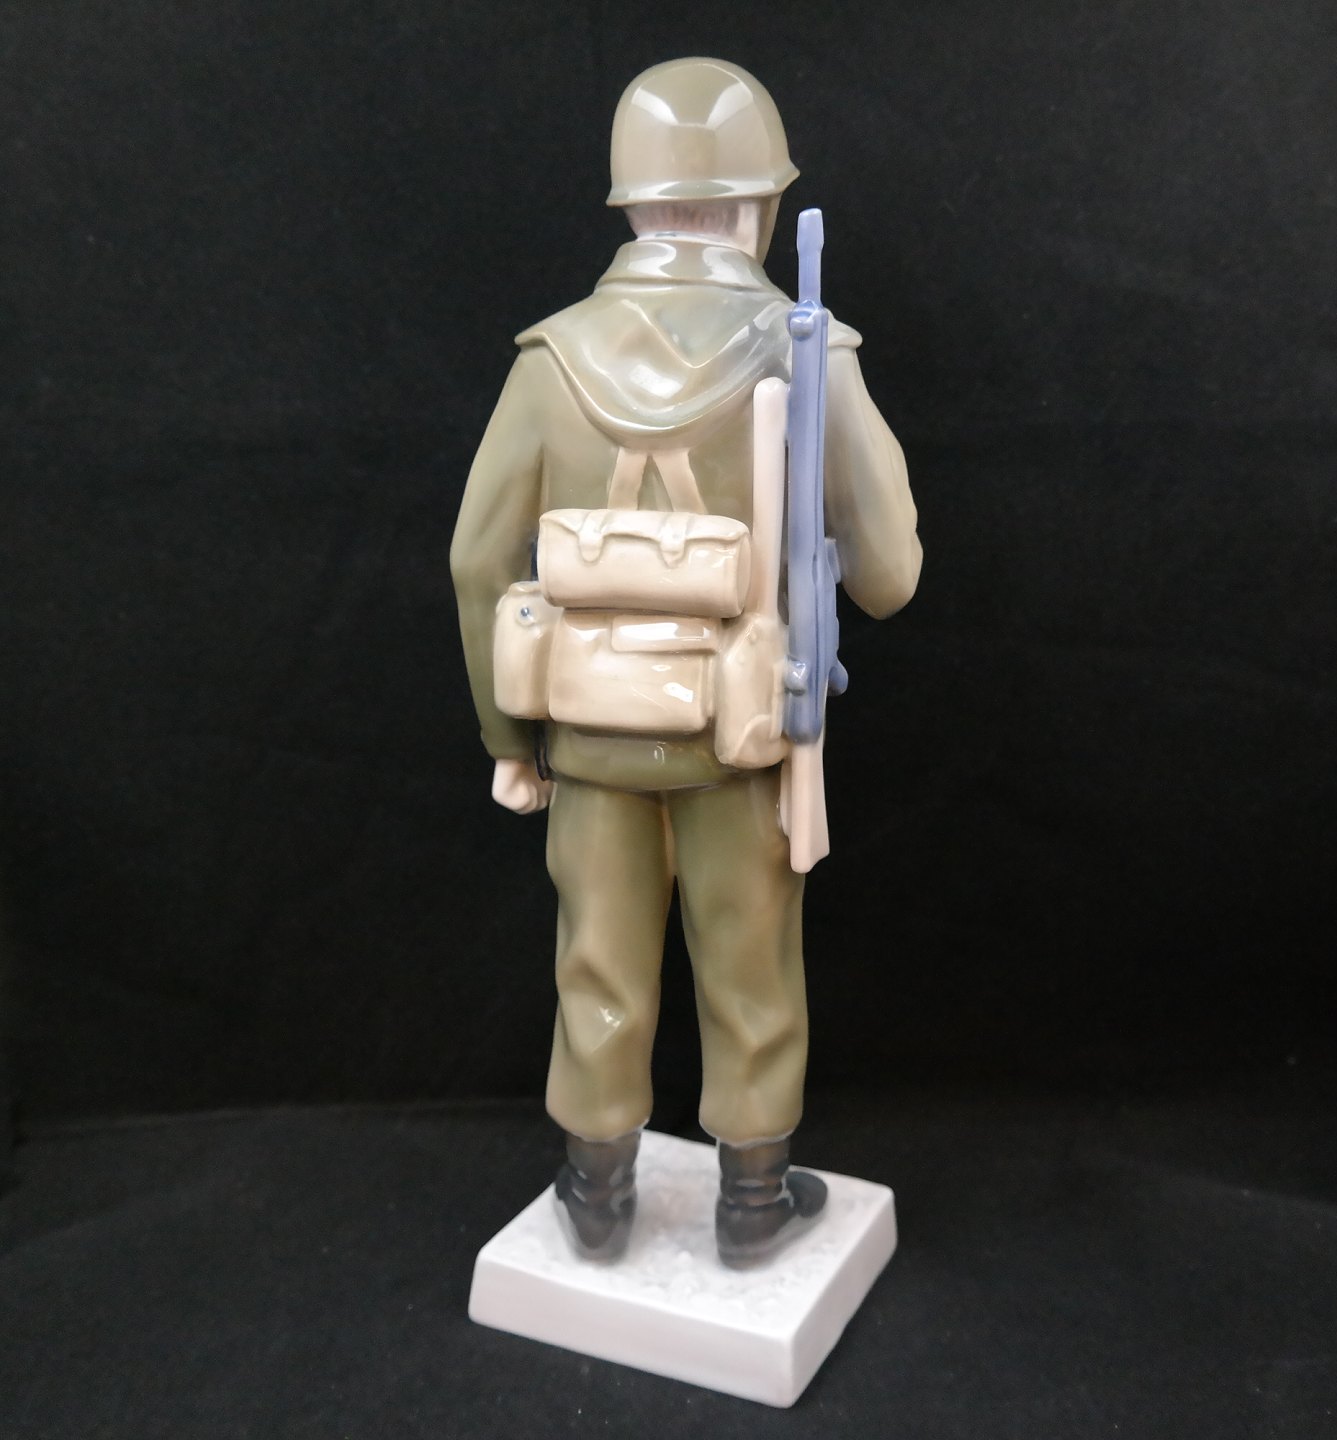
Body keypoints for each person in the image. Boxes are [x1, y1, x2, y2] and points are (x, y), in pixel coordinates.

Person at [451, 57, 921, 1268]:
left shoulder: (549, 360)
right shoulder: (810, 349)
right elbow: (891, 574)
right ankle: (752, 1200)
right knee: (750, 963)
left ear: (633, 205)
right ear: (760, 205)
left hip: (587, 738)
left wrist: (510, 745)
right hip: (740, 739)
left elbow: (474, 561)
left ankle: (595, 1188)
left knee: (597, 960)